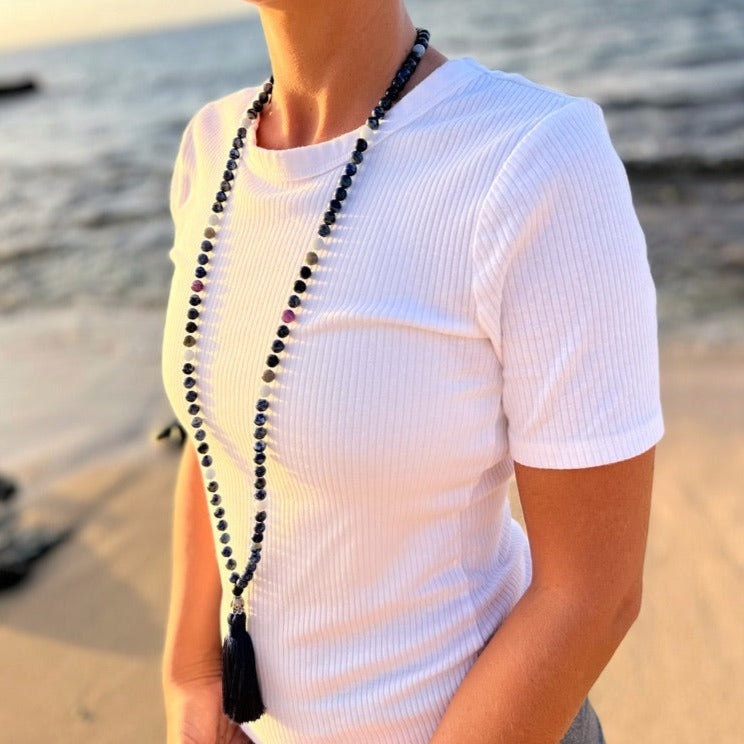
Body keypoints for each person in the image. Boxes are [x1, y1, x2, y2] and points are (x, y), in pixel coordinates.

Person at [159, 1, 664, 742]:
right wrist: (191, 677)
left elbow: (593, 590)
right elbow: (221, 440)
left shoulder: (531, 157)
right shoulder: (212, 151)